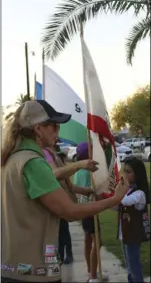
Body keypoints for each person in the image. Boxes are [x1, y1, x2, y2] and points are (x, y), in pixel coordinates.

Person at [1, 99, 129, 283]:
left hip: (12, 267)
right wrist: (114, 199)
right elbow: (69, 211)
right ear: (38, 129)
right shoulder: (32, 163)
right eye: (53, 125)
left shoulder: (12, 159)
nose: (58, 131)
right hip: (33, 271)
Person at [43, 144, 94, 265]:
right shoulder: (43, 154)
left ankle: (66, 256)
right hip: (52, 209)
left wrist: (85, 191)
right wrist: (78, 165)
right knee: (55, 245)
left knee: (63, 236)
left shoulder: (54, 156)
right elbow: (53, 175)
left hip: (62, 208)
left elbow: (70, 186)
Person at [74, 142, 109, 283]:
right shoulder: (90, 172)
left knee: (88, 239)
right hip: (90, 211)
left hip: (83, 210)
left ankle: (91, 271)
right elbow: (95, 192)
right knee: (98, 242)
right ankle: (93, 276)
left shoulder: (78, 171)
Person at [116, 157, 150, 283]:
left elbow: (123, 201)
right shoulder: (128, 190)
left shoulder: (139, 193)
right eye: (124, 171)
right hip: (124, 234)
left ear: (137, 174)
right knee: (129, 266)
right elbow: (117, 206)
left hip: (133, 234)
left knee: (134, 267)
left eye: (129, 172)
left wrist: (120, 187)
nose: (125, 174)